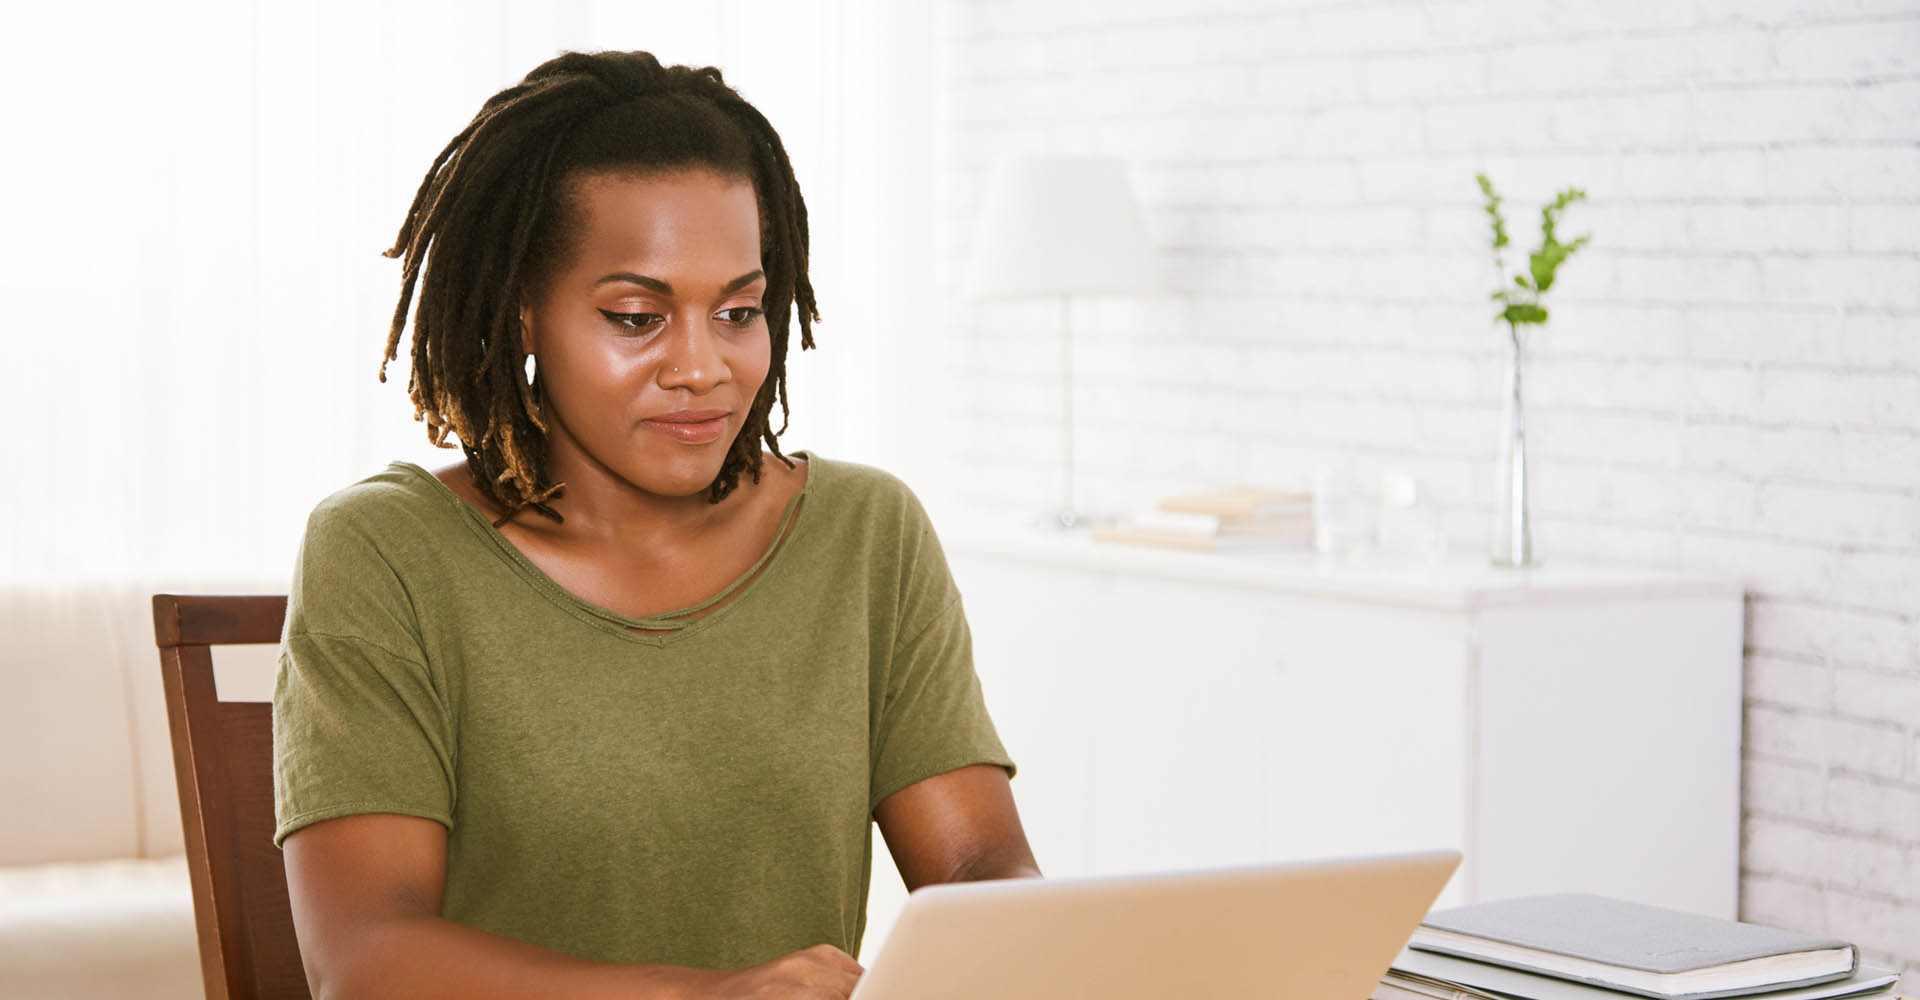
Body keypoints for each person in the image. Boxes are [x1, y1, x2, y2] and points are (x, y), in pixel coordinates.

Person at [271, 49, 1040, 1000]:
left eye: (740, 310)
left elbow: (980, 875)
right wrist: (702, 996)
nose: (702, 365)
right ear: (522, 312)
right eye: (637, 316)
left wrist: (1038, 950)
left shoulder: (866, 534)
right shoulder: (385, 553)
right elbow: (366, 959)